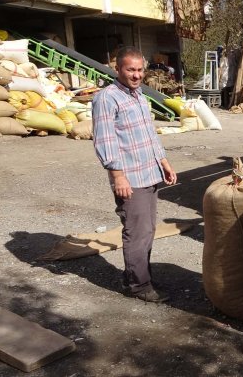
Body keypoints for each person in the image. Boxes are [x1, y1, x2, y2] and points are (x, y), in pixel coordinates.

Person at [92, 46, 178, 303]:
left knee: (148, 229)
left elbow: (149, 134)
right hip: (130, 177)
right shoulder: (107, 98)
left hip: (150, 173)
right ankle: (139, 286)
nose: (136, 75)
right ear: (118, 69)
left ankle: (139, 276)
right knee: (136, 232)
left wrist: (164, 161)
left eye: (140, 70)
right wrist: (118, 176)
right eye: (130, 69)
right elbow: (105, 140)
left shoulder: (139, 96)